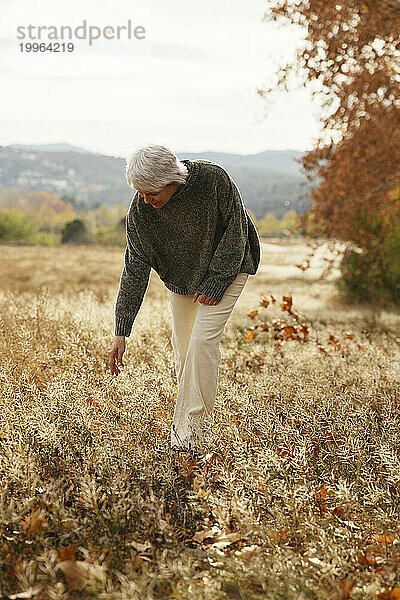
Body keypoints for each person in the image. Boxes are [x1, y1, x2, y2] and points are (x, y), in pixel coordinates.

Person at [108, 144, 261, 453]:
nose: (146, 200)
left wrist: (217, 282)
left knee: (203, 342)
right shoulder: (140, 214)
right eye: (141, 193)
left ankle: (191, 437)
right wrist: (121, 331)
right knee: (183, 349)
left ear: (171, 179)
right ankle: (194, 425)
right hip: (182, 279)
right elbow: (134, 272)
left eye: (152, 193)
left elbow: (236, 233)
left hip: (229, 268)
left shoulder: (213, 180)